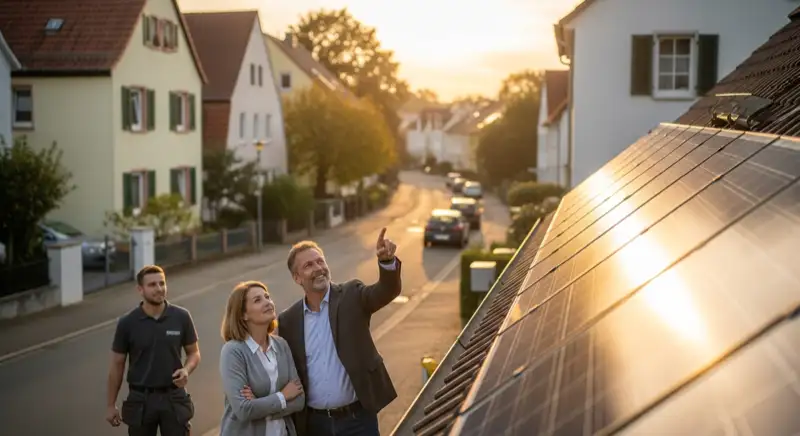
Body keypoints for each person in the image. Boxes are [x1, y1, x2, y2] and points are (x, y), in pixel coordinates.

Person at [277, 227, 402, 436]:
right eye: (309, 265)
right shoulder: (288, 321)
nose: (318, 268)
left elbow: (385, 291)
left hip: (358, 421)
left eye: (320, 261)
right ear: (297, 278)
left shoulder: (351, 295)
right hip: (315, 425)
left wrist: (387, 263)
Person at [106, 265, 201, 436]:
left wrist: (186, 370)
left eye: (162, 283)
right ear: (140, 289)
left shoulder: (181, 317)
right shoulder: (127, 323)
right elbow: (117, 364)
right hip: (141, 400)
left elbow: (194, 353)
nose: (159, 289)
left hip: (174, 398)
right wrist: (111, 405)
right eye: (152, 285)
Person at [219, 281, 306, 436]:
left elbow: (299, 399)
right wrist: (283, 396)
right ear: (243, 314)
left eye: (267, 297)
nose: (267, 302)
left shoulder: (281, 345)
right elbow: (244, 410)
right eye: (258, 300)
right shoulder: (233, 351)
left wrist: (259, 405)